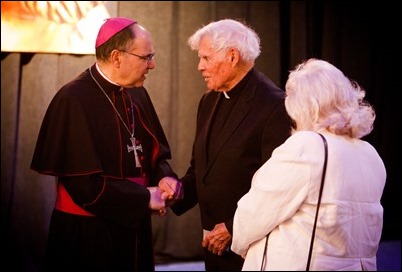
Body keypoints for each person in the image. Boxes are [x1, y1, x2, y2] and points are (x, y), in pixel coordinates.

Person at [30, 17, 182, 271]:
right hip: (90, 237)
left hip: (134, 228)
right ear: (116, 57)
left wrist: (165, 177)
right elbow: (84, 187)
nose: (152, 65)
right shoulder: (73, 100)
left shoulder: (137, 92)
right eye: (146, 57)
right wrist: (144, 197)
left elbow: (154, 156)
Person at [231, 58, 387, 270]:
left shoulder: (306, 146)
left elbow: (254, 214)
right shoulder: (370, 154)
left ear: (302, 105)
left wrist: (241, 244)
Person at [169, 19, 292, 270]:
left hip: (249, 246)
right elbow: (201, 168)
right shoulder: (208, 100)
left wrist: (233, 227)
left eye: (205, 58)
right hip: (213, 244)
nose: (199, 66)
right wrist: (173, 194)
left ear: (232, 56)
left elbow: (279, 187)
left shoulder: (275, 106)